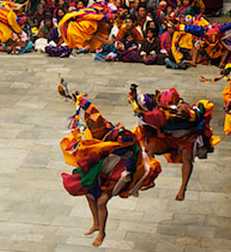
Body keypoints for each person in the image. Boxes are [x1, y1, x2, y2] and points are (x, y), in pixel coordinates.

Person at [57, 81, 160, 247]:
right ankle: (96, 223)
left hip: (119, 171)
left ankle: (102, 233)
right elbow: (87, 106)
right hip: (102, 167)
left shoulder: (119, 136)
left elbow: (132, 150)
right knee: (89, 195)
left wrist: (129, 175)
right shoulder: (95, 126)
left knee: (101, 202)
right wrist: (73, 96)